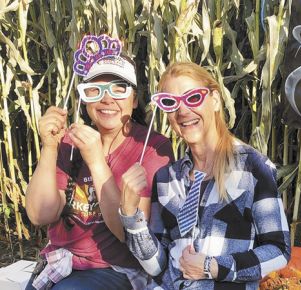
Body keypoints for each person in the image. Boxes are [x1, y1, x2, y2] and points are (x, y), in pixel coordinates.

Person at [119, 62, 291, 290]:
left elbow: (279, 251)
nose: (182, 111)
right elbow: (157, 266)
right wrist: (132, 218)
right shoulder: (166, 178)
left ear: (216, 100)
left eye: (193, 98)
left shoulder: (252, 167)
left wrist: (214, 266)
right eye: (171, 103)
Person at [25, 53, 174, 290]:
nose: (107, 99)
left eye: (119, 89)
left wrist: (96, 161)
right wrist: (50, 146)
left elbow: (131, 235)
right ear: (85, 99)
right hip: (61, 262)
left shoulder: (152, 147)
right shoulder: (69, 143)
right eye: (95, 89)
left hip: (115, 269)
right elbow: (40, 215)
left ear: (134, 99)